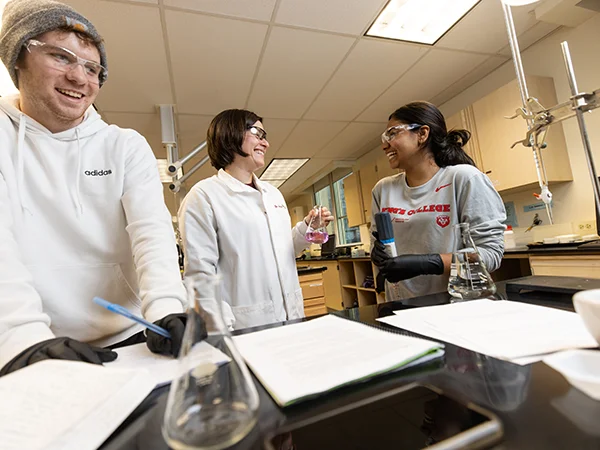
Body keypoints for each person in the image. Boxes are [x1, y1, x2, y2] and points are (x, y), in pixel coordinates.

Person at [0, 0, 187, 375]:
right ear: (17, 57)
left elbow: (151, 232)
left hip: (132, 336)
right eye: (61, 57)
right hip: (36, 343)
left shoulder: (124, 145)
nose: (80, 78)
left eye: (92, 68)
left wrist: (167, 305)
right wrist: (20, 338)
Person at [178, 109, 333, 329]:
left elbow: (284, 251)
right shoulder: (204, 196)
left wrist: (307, 228)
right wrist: (222, 332)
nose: (266, 143)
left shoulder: (273, 194)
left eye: (265, 136)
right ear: (229, 134)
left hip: (293, 316)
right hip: (245, 325)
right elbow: (201, 277)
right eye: (257, 133)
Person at [371, 101, 506, 300]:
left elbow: (490, 254)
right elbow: (378, 243)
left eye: (392, 134)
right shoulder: (383, 189)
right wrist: (377, 253)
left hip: (455, 303)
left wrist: (429, 263)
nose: (384, 145)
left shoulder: (464, 179)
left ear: (422, 134)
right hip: (401, 304)